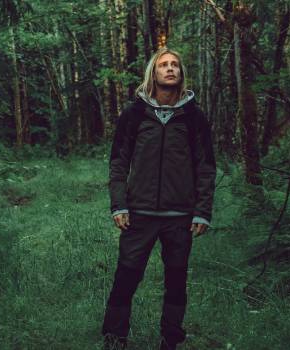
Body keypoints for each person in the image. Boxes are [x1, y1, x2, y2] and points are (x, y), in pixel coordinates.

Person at [102, 47, 216, 350]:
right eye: (163, 65)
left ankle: (171, 340)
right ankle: (114, 338)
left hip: (180, 216)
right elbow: (118, 162)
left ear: (181, 73)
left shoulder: (193, 116)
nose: (170, 68)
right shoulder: (135, 113)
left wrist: (202, 211)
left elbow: (206, 166)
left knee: (176, 280)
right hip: (139, 213)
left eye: (175, 64)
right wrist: (119, 204)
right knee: (126, 277)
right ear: (153, 73)